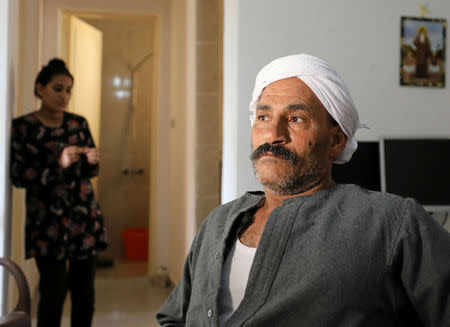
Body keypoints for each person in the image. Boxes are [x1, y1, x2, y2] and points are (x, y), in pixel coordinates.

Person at [156, 54, 450, 326]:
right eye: (263, 117)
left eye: (296, 119)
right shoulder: (219, 223)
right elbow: (174, 317)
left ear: (335, 140)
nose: (273, 134)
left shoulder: (392, 223)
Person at [10, 58, 107, 327]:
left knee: (84, 293)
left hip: (83, 218)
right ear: (40, 88)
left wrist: (93, 160)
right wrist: (59, 164)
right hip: (47, 223)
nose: (64, 96)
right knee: (53, 291)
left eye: (68, 90)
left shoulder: (78, 123)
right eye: (58, 88)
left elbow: (91, 173)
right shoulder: (22, 128)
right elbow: (19, 176)